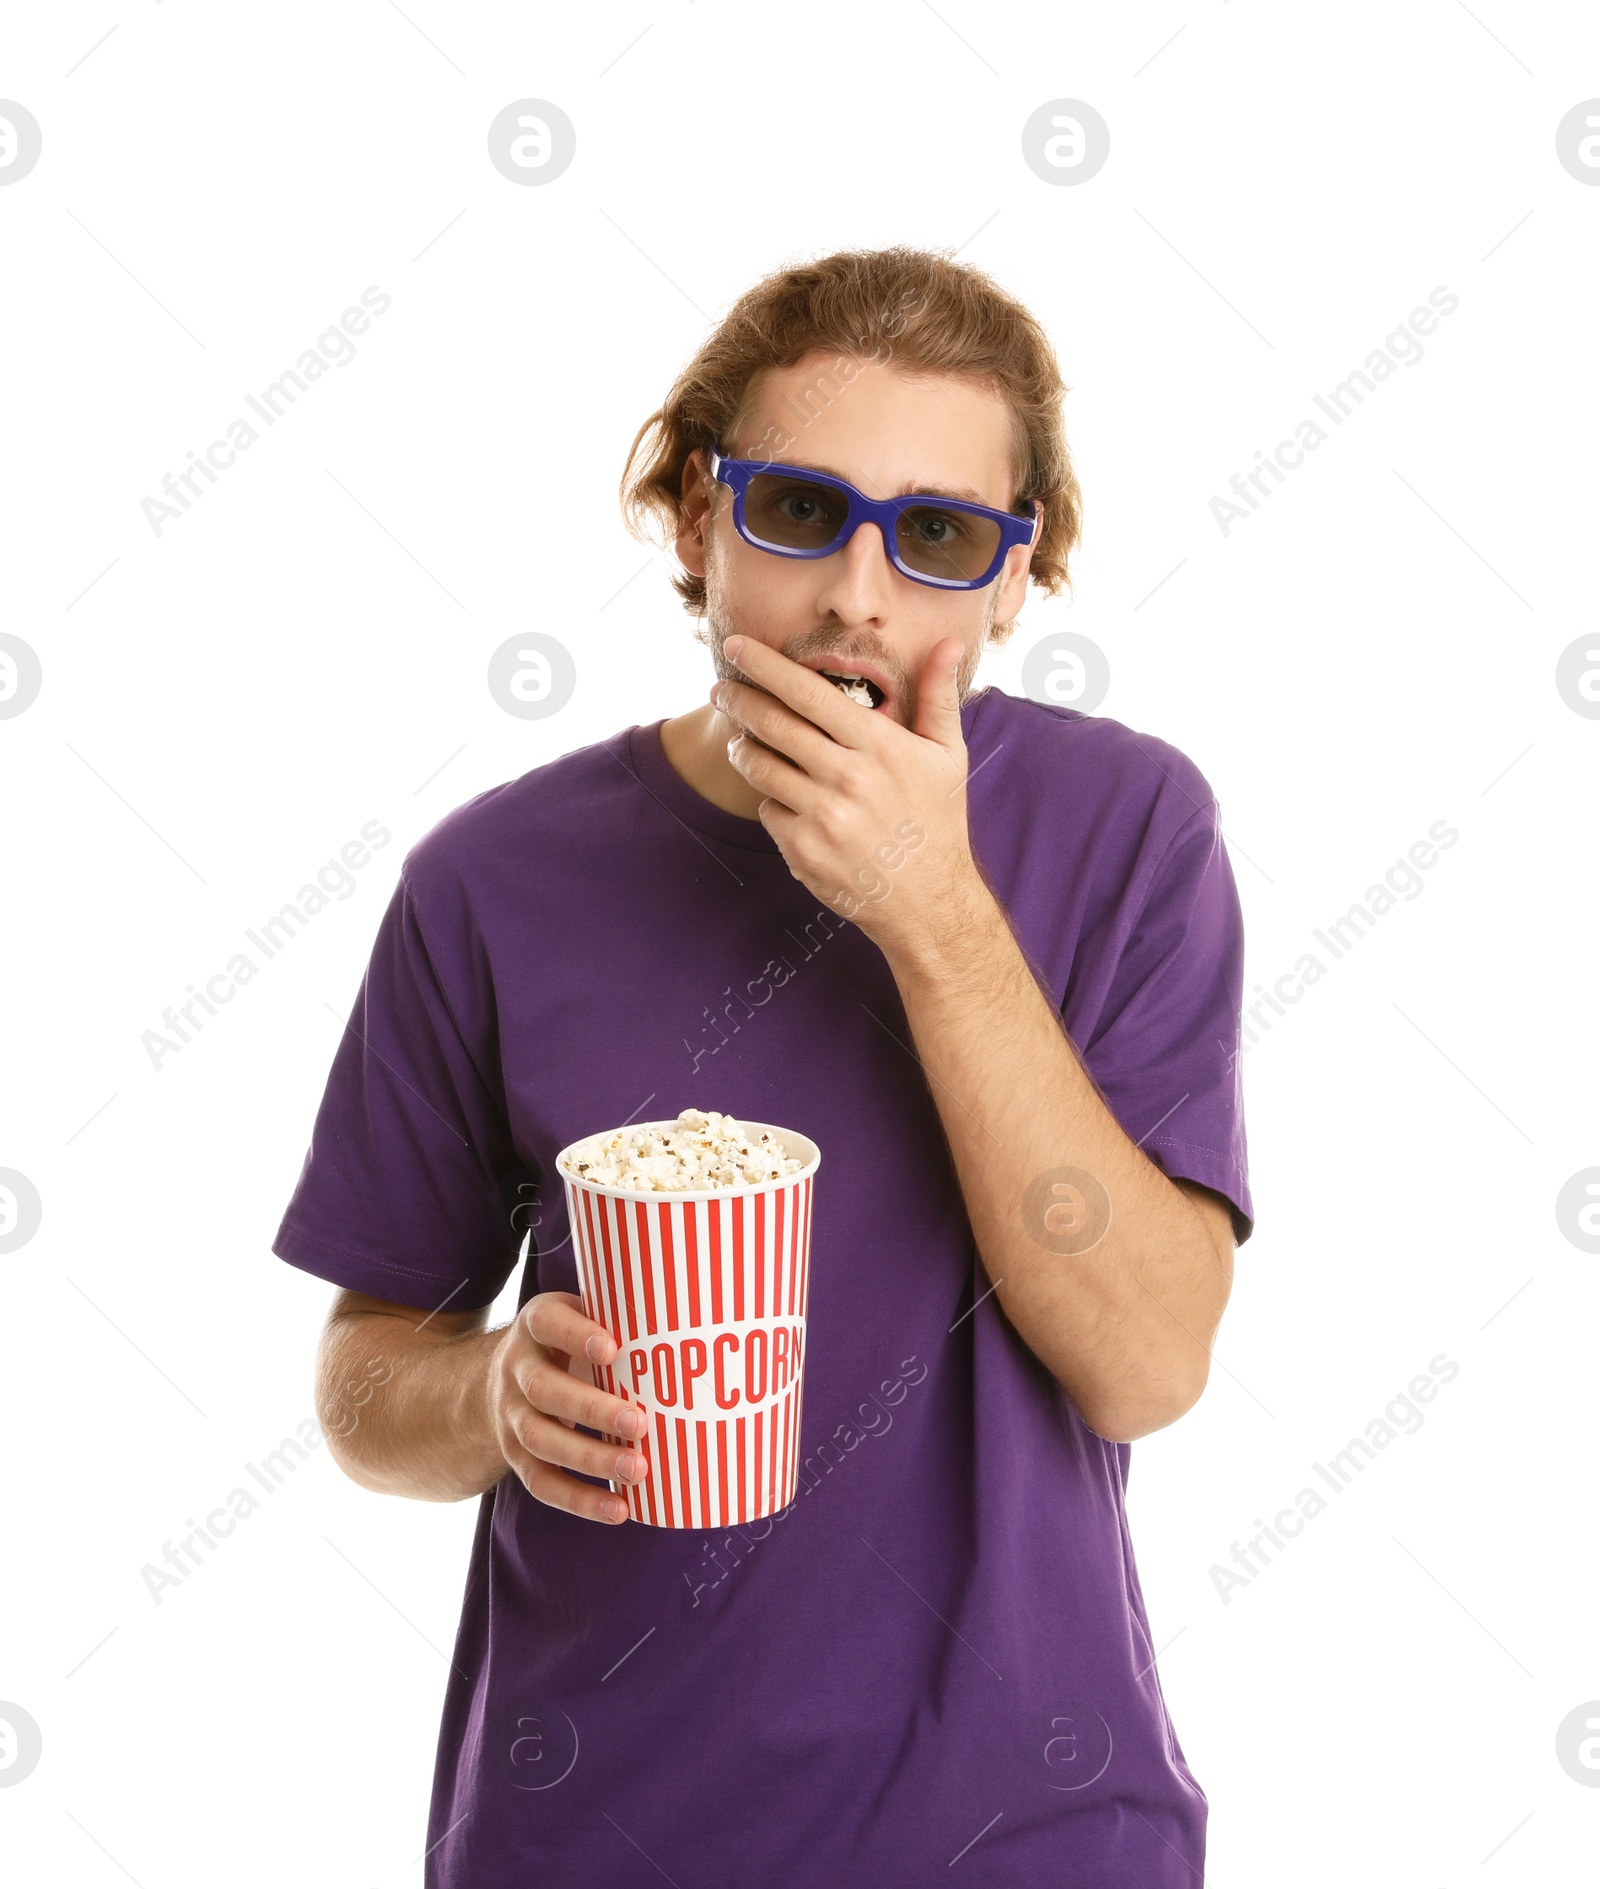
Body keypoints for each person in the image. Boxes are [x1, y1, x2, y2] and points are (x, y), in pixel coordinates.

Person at [273, 244, 1253, 1887]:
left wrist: (934, 914)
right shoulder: (492, 880)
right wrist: (493, 1394)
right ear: (695, 523)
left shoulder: (1131, 830)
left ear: (1018, 578)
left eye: (939, 536)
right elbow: (364, 1382)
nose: (861, 596)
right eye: (801, 512)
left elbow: (1150, 1362)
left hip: (1036, 1837)